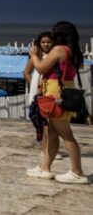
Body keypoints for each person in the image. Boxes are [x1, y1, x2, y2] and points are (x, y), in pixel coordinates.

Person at [26, 21, 88, 184]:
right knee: (52, 133)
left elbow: (40, 68)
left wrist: (33, 55)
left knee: (66, 135)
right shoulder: (74, 51)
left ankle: (77, 172)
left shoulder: (59, 50)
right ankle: (44, 167)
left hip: (55, 93)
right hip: (64, 90)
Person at [23, 32, 60, 160]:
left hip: (51, 91)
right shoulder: (36, 57)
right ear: (39, 44)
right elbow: (26, 73)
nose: (45, 44)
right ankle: (46, 150)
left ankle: (50, 149)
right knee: (44, 123)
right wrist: (34, 84)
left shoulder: (55, 56)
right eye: (43, 42)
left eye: (48, 42)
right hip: (39, 93)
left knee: (51, 123)